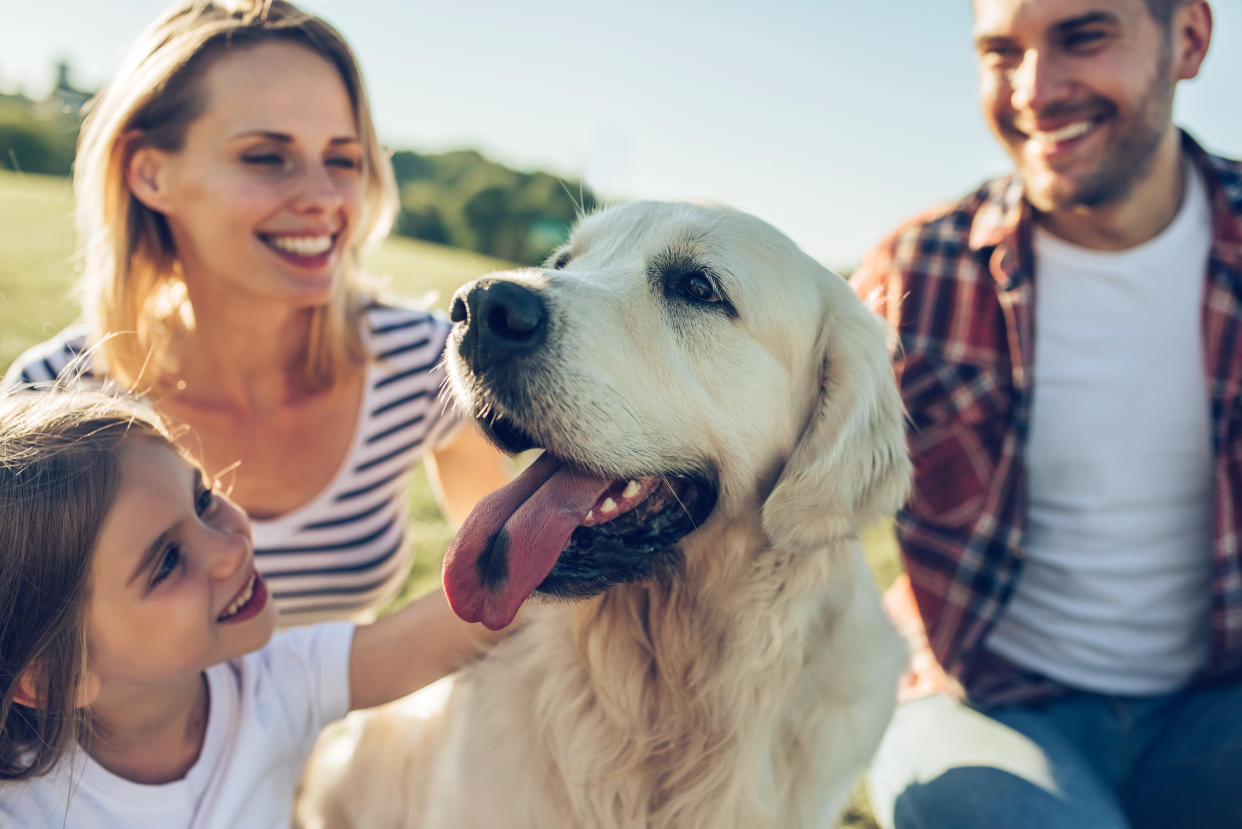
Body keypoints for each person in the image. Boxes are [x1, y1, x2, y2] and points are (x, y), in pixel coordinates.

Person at [851, 1, 1241, 827]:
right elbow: (765, 491)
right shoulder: (917, 272)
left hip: (1217, 708)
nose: (1035, 88)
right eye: (1002, 52)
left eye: (1083, 35)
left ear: (1191, 39)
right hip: (982, 704)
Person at [3, 0, 513, 626]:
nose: (325, 199)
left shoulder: (423, 362)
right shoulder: (51, 400)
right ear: (150, 173)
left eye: (344, 160)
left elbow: (503, 598)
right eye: (266, 157)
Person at [0, 390, 504, 826]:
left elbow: (439, 633)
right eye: (167, 563)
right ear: (52, 680)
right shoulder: (20, 808)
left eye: (201, 500)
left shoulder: (272, 684)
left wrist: (560, 520)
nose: (233, 547)